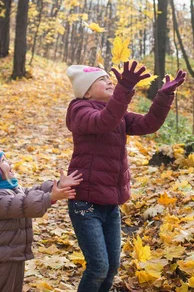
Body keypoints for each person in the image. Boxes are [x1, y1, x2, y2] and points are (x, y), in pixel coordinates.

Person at [65, 61, 186, 291]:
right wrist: (125, 89)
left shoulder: (116, 112)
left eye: (109, 79)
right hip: (85, 203)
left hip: (110, 204)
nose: (109, 82)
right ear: (87, 91)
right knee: (98, 266)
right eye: (102, 80)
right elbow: (103, 122)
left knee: (111, 267)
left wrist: (164, 95)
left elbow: (147, 124)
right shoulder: (79, 111)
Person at [0, 147, 82, 292]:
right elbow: (23, 204)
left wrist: (55, 186)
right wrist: (50, 198)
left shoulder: (9, 189)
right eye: (4, 161)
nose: (10, 163)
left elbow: (30, 193)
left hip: (11, 255)